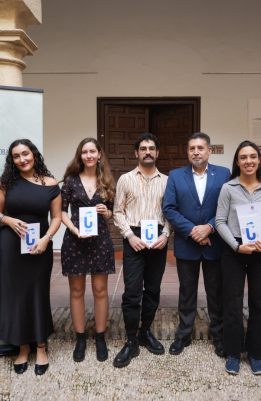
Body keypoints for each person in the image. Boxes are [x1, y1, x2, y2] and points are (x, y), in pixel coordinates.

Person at [0, 139, 62, 376]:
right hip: (12, 247)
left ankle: (41, 347)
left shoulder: (51, 183)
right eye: (16, 156)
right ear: (12, 160)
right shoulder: (6, 183)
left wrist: (47, 238)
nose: (22, 159)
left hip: (39, 247)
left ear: (34, 155)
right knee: (16, 295)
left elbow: (56, 218)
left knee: (38, 293)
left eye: (26, 154)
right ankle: (22, 348)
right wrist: (9, 220)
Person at [162, 132, 230, 357]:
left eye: (200, 148)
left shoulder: (223, 173)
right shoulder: (175, 175)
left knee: (216, 292)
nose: (196, 152)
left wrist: (209, 227)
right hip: (187, 243)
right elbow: (169, 208)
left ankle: (219, 335)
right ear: (188, 152)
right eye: (192, 148)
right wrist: (193, 231)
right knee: (187, 292)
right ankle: (184, 334)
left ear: (209, 150)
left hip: (215, 243)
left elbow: (227, 206)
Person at [215, 140, 261, 376]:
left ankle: (255, 353)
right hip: (235, 252)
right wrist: (235, 245)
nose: (248, 161)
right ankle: (233, 351)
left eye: (252, 157)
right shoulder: (228, 188)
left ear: (259, 160)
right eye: (243, 157)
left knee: (259, 304)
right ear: (237, 162)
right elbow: (219, 221)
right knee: (232, 303)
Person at [112, 133, 173, 367]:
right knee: (132, 292)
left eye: (152, 148)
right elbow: (118, 212)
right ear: (136, 153)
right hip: (134, 238)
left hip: (158, 238)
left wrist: (166, 234)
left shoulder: (168, 181)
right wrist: (130, 236)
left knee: (153, 289)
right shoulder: (125, 180)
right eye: (143, 148)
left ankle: (145, 332)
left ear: (158, 153)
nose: (148, 152)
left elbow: (172, 212)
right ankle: (130, 340)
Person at [60, 138, 116, 362]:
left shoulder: (107, 181)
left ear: (99, 154)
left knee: (101, 291)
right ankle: (80, 339)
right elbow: (62, 212)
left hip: (100, 241)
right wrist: (73, 229)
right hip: (75, 241)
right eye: (85, 152)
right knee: (77, 292)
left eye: (93, 151)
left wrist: (107, 212)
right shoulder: (70, 181)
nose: (89, 155)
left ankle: (100, 337)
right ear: (80, 155)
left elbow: (113, 211)